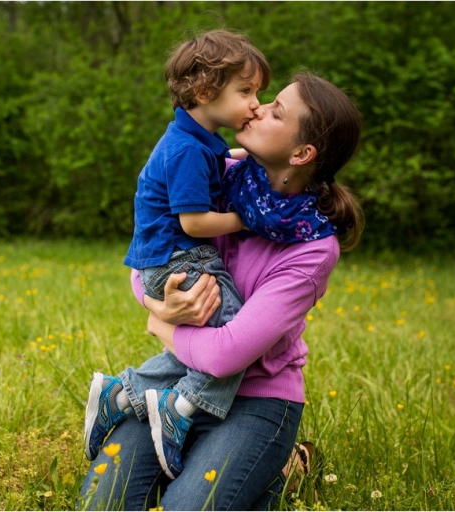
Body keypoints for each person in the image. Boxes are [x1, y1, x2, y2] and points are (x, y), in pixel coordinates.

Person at [79, 71, 364, 511]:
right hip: (175, 384)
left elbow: (226, 354)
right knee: (102, 505)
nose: (257, 107)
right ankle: (238, 466)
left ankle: (278, 466)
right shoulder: (215, 173)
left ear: (303, 152)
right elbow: (146, 255)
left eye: (275, 111)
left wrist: (161, 323)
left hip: (258, 401)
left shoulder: (313, 246)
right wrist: (160, 301)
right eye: (262, 99)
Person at [83, 29, 273, 478]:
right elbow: (194, 222)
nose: (255, 104)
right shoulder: (187, 149)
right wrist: (246, 219)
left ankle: (123, 395)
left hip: (167, 258)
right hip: (181, 257)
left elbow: (214, 163)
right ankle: (178, 405)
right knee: (231, 332)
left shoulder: (197, 141)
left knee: (211, 337)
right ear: (206, 91)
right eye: (245, 91)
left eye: (259, 94)